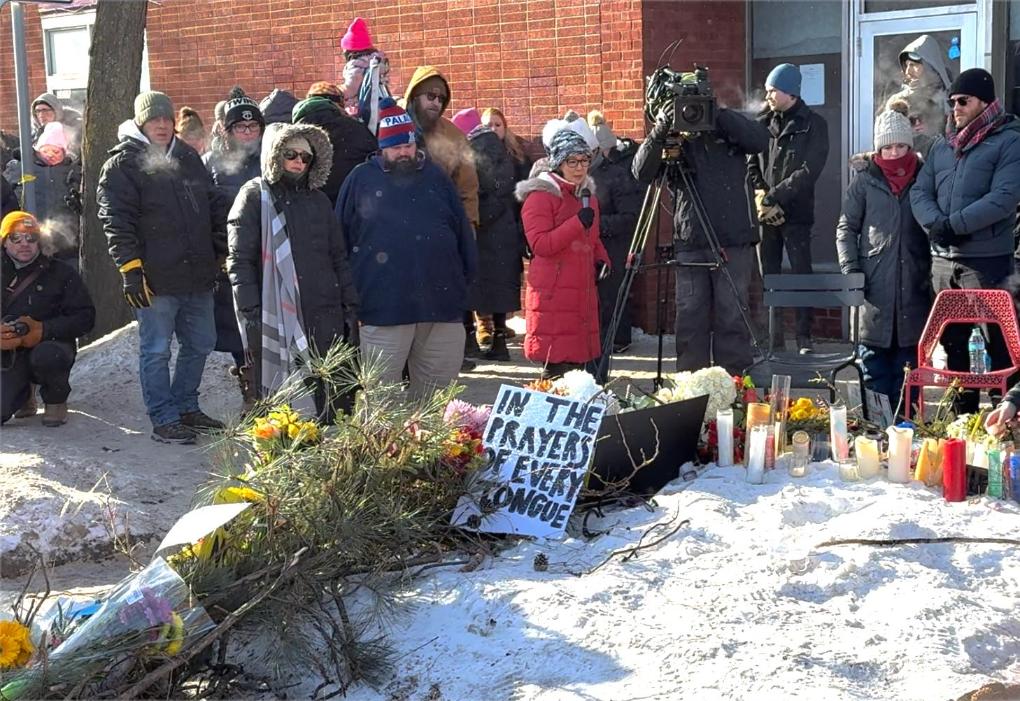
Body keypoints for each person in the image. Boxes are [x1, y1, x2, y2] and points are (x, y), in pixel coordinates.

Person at [97, 91, 231, 444]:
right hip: (154, 279)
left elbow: (213, 204)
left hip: (198, 274)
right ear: (141, 123)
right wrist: (130, 268)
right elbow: (116, 221)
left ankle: (186, 406)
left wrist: (220, 249)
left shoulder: (187, 156)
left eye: (166, 119)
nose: (161, 125)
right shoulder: (122, 164)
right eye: (154, 119)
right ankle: (164, 417)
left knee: (201, 342)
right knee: (156, 350)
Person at [336, 99, 476, 398]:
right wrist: (350, 299)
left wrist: (462, 289)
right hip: (383, 308)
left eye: (408, 145)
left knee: (437, 400)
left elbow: (463, 234)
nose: (403, 152)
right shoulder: (360, 179)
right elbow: (340, 242)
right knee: (381, 400)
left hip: (441, 307)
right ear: (382, 147)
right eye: (396, 146)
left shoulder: (436, 178)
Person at [635, 74, 769, 374]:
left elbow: (759, 140)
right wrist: (661, 129)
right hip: (691, 239)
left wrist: (716, 113)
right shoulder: (673, 135)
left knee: (732, 315)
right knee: (690, 317)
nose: (691, 110)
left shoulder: (727, 125)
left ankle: (733, 384)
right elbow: (641, 172)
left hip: (733, 239)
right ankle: (691, 384)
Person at [228, 122, 359, 419]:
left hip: (324, 310)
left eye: (306, 157)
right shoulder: (254, 197)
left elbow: (338, 257)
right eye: (291, 154)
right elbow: (239, 261)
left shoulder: (319, 200)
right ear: (274, 155)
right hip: (275, 313)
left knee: (334, 401)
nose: (299, 161)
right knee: (280, 408)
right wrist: (250, 313)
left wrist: (350, 305)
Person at [911, 68, 1020, 414]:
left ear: (985, 102)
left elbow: (1003, 198)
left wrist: (954, 225)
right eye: (952, 101)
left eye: (963, 101)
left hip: (987, 262)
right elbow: (920, 191)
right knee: (953, 347)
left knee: (999, 347)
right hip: (944, 263)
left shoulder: (1009, 140)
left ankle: (1006, 423)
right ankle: (961, 422)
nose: (955, 107)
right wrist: (936, 225)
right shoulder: (942, 145)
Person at [836, 108, 932, 412]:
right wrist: (851, 271)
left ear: (909, 146)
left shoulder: (924, 177)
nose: (894, 153)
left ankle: (906, 430)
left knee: (908, 377)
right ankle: (877, 431)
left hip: (915, 289)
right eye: (887, 147)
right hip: (873, 292)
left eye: (900, 146)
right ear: (878, 149)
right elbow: (846, 228)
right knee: (874, 374)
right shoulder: (864, 181)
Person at [747, 63, 830, 354]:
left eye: (773, 91)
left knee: (800, 276)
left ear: (790, 92)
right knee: (768, 277)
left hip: (797, 214)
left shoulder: (814, 124)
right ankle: (774, 338)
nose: (768, 96)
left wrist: (775, 197)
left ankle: (804, 337)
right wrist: (761, 195)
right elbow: (751, 164)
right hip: (765, 215)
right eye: (767, 90)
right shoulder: (761, 123)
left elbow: (810, 170)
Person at [402, 66, 480, 365]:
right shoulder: (394, 125)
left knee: (441, 298)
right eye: (430, 96)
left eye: (441, 98)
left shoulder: (453, 134)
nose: (435, 102)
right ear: (414, 96)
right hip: (399, 229)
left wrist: (468, 228)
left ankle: (445, 357)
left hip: (440, 230)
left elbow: (468, 187)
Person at [517, 129, 610, 379]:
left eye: (584, 160)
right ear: (558, 163)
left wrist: (602, 260)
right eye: (572, 161)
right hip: (553, 296)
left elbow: (592, 239)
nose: (580, 168)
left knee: (579, 373)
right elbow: (541, 244)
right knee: (556, 372)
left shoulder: (587, 196)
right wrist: (577, 223)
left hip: (581, 294)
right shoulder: (540, 196)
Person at [1, 211, 95, 426]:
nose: (24, 244)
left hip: (50, 345)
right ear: (4, 242)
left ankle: (55, 400)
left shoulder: (61, 272)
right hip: (7, 353)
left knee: (49, 356)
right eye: (16, 238)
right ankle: (23, 395)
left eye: (31, 237)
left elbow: (85, 317)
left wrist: (42, 330)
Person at [204, 88, 265, 409]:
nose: (248, 132)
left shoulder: (271, 159)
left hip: (265, 255)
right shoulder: (209, 164)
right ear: (227, 131)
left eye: (253, 126)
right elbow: (202, 212)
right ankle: (249, 388)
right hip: (227, 258)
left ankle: (264, 385)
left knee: (265, 323)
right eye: (241, 127)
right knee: (236, 327)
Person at [452, 108, 522, 361]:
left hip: (479, 232)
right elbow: (505, 190)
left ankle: (469, 339)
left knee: (468, 285)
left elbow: (471, 192)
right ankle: (499, 343)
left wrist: (470, 218)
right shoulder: (502, 151)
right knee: (500, 285)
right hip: (504, 231)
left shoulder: (470, 153)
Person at [587, 110, 644, 358]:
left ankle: (616, 338)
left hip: (613, 244)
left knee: (612, 294)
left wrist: (595, 225)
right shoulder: (580, 175)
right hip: (591, 244)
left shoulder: (616, 175)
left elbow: (630, 216)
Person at [292, 92, 378, 206]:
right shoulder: (356, 128)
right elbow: (376, 156)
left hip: (315, 207)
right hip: (359, 202)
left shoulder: (295, 140)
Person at [884, 35, 952, 158]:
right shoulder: (897, 101)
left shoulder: (949, 98)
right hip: (908, 163)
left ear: (929, 65)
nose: (908, 71)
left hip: (944, 160)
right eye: (906, 65)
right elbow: (887, 141)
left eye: (914, 65)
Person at [31, 122, 82, 264]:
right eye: (46, 150)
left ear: (64, 153)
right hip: (31, 237)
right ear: (38, 151)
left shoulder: (73, 172)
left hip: (67, 240)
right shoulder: (24, 169)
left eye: (56, 151)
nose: (50, 155)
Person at [339, 17, 391, 132]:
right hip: (382, 109)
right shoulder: (378, 62)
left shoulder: (356, 66)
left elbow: (350, 90)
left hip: (366, 115)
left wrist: (334, 92)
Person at [30, 93, 82, 157]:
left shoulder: (73, 129)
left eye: (45, 110)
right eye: (38, 111)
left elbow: (74, 155)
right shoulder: (34, 133)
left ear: (56, 110)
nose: (41, 115)